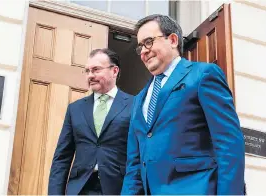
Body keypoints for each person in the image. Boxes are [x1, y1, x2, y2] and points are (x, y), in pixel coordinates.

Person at [121, 14, 245, 195]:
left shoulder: (203, 75)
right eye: (140, 47)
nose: (143, 51)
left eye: (148, 42)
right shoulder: (139, 99)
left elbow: (229, 144)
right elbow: (134, 164)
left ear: (172, 40)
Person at [48, 48, 133, 195]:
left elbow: (138, 154)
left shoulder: (135, 104)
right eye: (87, 71)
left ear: (114, 71)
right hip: (80, 188)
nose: (90, 76)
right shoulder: (75, 109)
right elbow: (62, 157)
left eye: (96, 70)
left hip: (117, 189)